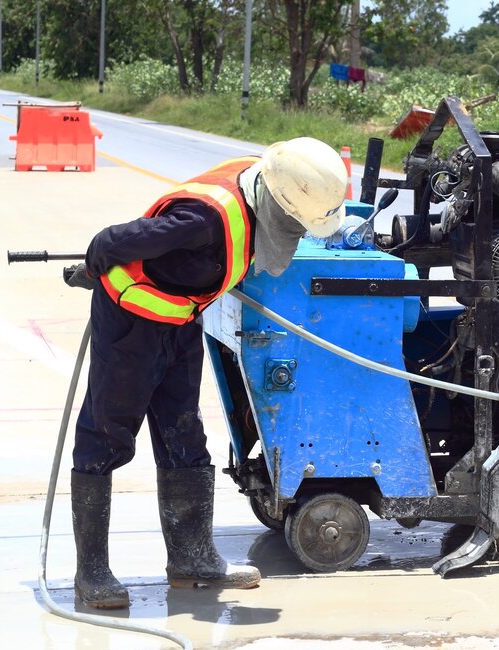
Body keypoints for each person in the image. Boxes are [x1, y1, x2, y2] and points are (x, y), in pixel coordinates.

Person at [63, 137, 348, 609]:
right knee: (106, 437)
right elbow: (111, 242)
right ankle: (91, 572)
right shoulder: (203, 220)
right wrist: (93, 269)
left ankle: (192, 560)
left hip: (178, 321)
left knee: (185, 437)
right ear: (281, 204)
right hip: (131, 327)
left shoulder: (261, 188)